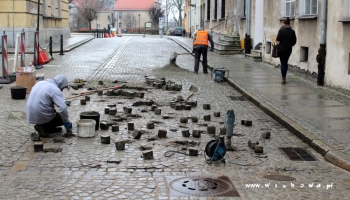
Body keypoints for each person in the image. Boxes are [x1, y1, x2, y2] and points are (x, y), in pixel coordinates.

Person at [276, 17, 297, 84]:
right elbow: (294, 42)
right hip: (288, 49)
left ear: (284, 23)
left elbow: (278, 39)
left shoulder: (281, 30)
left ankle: (283, 78)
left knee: (283, 63)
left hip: (281, 49)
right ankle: (284, 76)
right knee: (286, 62)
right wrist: (289, 44)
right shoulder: (292, 31)